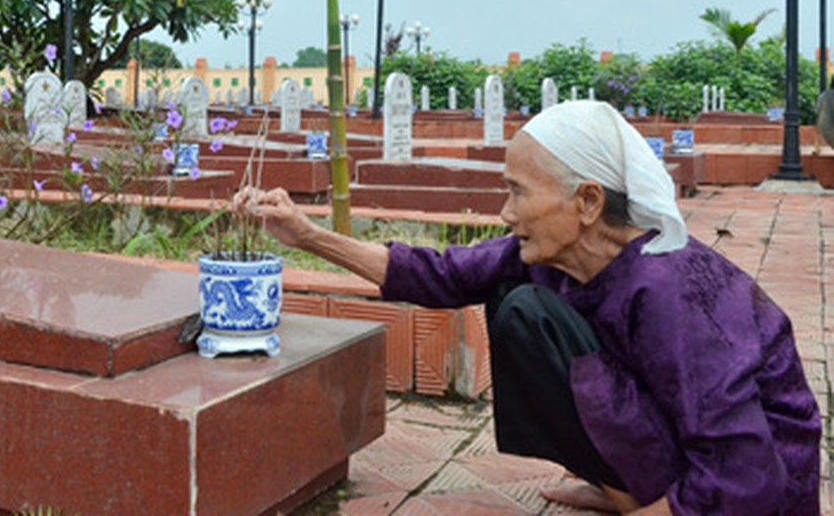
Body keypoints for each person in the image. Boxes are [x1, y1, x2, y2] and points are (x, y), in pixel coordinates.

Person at [233, 100, 820, 516]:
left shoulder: (674, 288)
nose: (507, 212)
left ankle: (641, 492)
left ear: (588, 201)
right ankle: (617, 479)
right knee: (520, 307)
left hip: (766, 489)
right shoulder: (550, 252)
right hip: (685, 451)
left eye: (518, 191)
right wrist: (306, 235)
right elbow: (439, 275)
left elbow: (745, 473)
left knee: (533, 316)